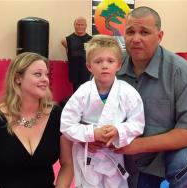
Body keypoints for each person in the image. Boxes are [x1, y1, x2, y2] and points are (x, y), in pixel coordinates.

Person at [114, 6, 187, 188]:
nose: (136, 39)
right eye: (130, 32)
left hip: (165, 155)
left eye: (144, 32)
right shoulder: (109, 67)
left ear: (159, 36)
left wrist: (137, 145)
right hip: (119, 156)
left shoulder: (182, 73)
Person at [0, 52, 73, 188]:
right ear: (18, 78)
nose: (45, 79)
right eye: (38, 74)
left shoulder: (57, 115)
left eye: (46, 74)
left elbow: (68, 163)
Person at [60, 35, 145, 188]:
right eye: (98, 61)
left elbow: (138, 123)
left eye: (110, 61)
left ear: (119, 65)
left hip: (115, 154)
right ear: (89, 66)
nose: (104, 66)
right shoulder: (82, 92)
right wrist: (91, 135)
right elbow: (66, 125)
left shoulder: (128, 92)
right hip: (88, 156)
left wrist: (118, 131)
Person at [61, 16, 92, 92]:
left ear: (86, 26)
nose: (80, 26)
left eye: (82, 25)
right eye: (78, 24)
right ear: (74, 25)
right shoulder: (66, 40)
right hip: (74, 72)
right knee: (76, 93)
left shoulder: (91, 40)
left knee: (87, 92)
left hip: (87, 72)